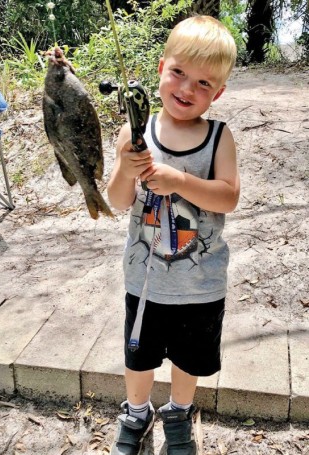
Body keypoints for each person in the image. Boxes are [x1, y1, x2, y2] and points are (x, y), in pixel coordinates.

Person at [107, 14, 239, 455]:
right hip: (144, 283)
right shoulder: (135, 131)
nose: (186, 89)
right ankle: (137, 410)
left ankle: (178, 412)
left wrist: (181, 181)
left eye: (203, 84)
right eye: (179, 72)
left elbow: (228, 197)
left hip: (200, 285)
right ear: (161, 68)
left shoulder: (219, 138)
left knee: (189, 359)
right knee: (138, 357)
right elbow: (118, 200)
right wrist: (127, 169)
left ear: (217, 93)